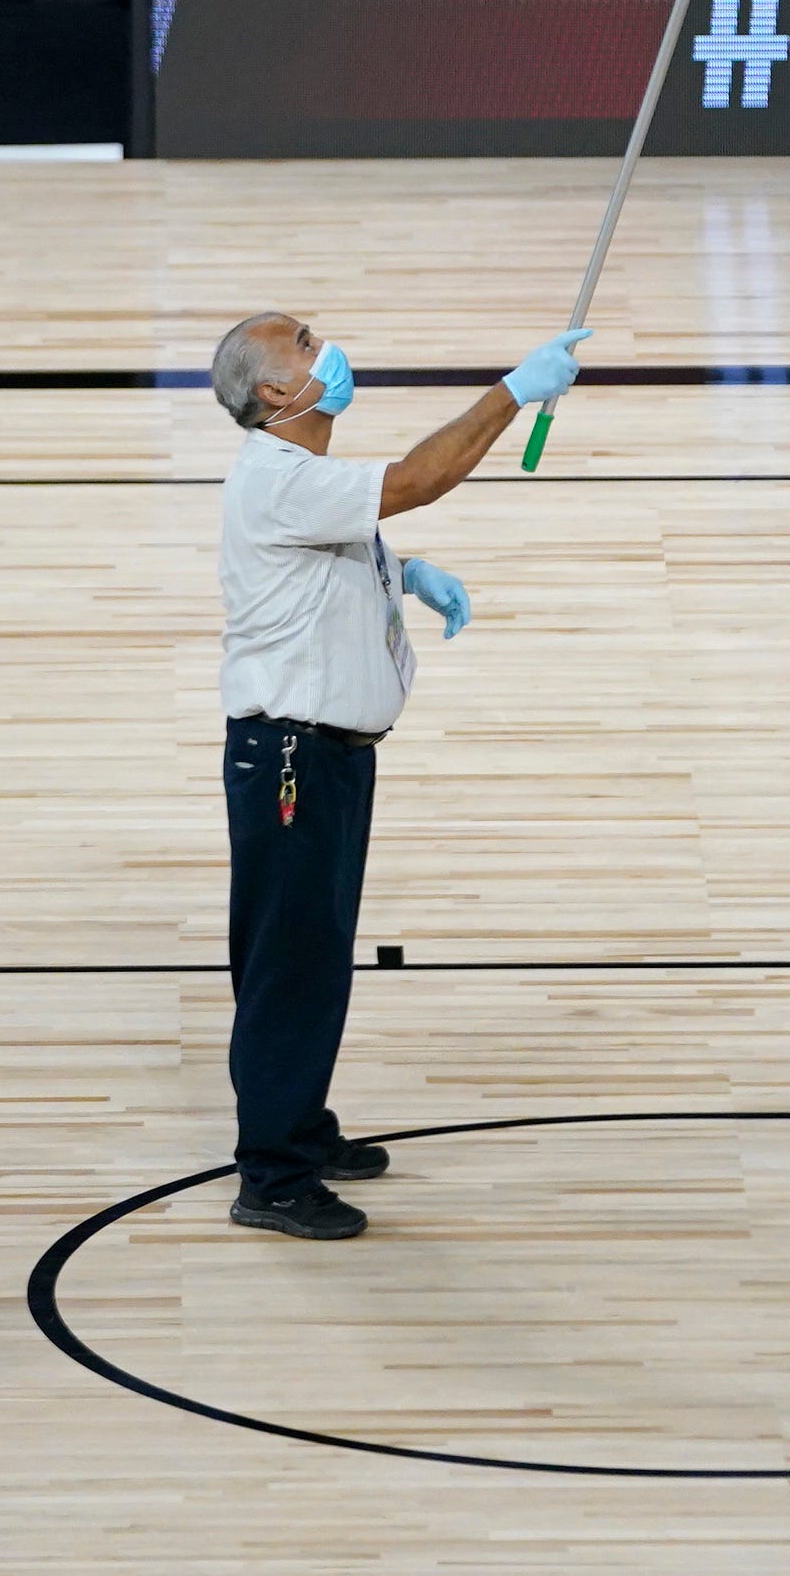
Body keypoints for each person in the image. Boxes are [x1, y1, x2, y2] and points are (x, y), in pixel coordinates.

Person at [204, 310, 590, 1238]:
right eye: (303, 342)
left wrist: (403, 572)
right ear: (273, 392)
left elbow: (334, 548)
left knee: (315, 956)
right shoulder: (276, 477)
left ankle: (299, 1125)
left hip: (325, 759)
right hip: (292, 759)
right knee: (290, 968)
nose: (323, 347)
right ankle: (274, 1178)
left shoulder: (301, 480)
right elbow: (418, 479)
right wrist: (513, 393)